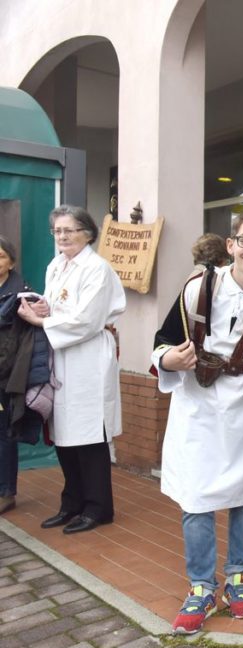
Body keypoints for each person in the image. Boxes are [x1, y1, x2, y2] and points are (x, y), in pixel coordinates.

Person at [152, 208, 243, 635]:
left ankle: (238, 578)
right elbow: (163, 340)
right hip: (197, 402)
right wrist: (168, 359)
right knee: (196, 495)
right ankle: (200, 585)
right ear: (231, 245)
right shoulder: (198, 288)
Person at [18, 206, 126, 534]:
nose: (62, 236)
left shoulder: (97, 268)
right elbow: (59, 306)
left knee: (89, 435)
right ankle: (72, 503)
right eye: (57, 231)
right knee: (64, 434)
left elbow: (87, 320)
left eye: (69, 230)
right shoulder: (56, 265)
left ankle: (98, 508)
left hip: (88, 357)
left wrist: (42, 320)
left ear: (88, 234)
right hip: (61, 356)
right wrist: (42, 307)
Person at [0, 237, 37, 514]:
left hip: (6, 376)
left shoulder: (23, 295)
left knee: (4, 434)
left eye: (1, 256)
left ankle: (6, 492)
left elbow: (21, 342)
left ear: (11, 262)